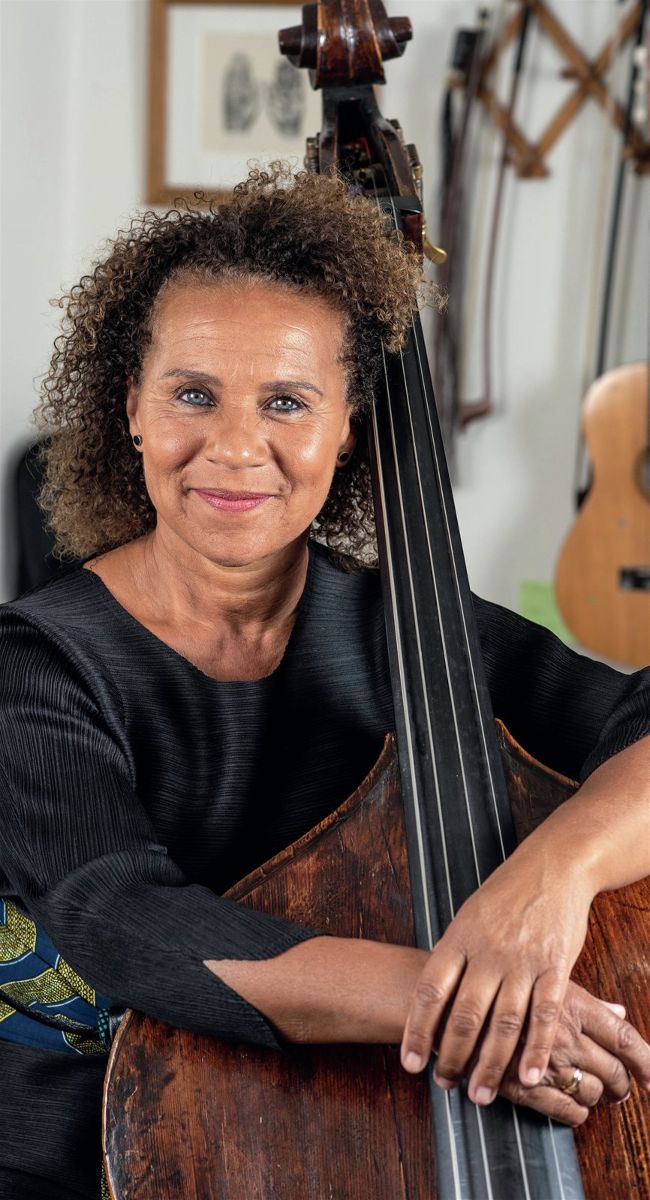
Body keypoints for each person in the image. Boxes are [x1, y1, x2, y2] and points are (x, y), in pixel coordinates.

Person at [0, 166, 648, 1200]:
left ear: (347, 428)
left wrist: (549, 882)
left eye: (287, 402)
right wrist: (459, 998)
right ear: (131, 410)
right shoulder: (35, 663)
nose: (234, 446)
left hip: (346, 1124)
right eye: (193, 394)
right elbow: (122, 916)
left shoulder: (413, 634)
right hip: (78, 1150)